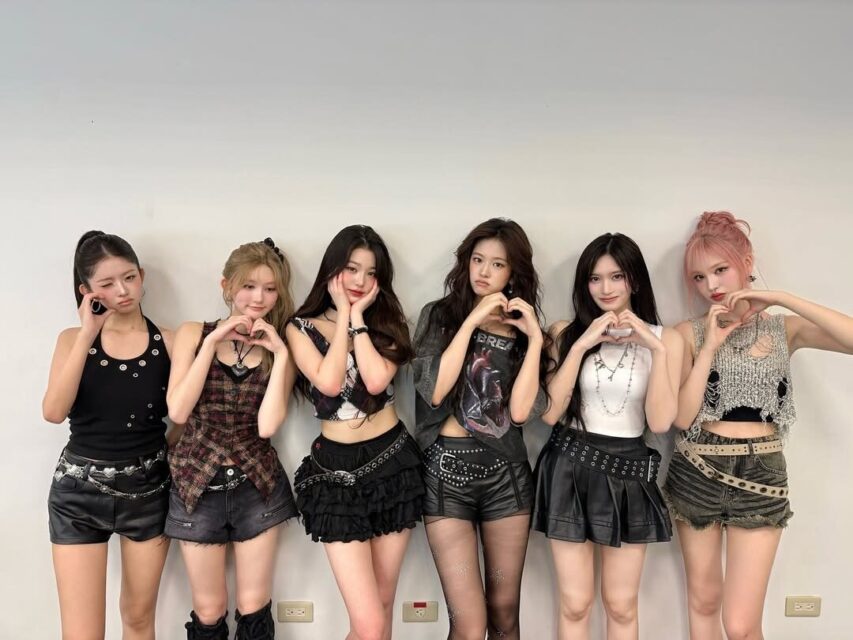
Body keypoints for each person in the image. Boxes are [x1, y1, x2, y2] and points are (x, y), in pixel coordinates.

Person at [665, 211, 853, 639]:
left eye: (720, 270)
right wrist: (709, 347)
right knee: (703, 602)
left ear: (746, 262)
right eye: (699, 277)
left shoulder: (785, 330)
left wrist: (781, 297)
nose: (711, 286)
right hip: (697, 467)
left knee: (741, 624)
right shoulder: (688, 333)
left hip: (761, 474)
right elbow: (682, 417)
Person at [532, 232, 681, 640]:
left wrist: (657, 350)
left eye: (616, 276)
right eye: (595, 279)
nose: (605, 288)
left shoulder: (666, 339)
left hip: (629, 470)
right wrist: (581, 344)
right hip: (570, 466)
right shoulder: (565, 333)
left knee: (621, 604)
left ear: (634, 280)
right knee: (575, 603)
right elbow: (550, 413)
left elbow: (661, 422)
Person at [413, 217, 548, 640]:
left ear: (513, 272)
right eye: (477, 260)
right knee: (468, 624)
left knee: (504, 616)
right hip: (445, 475)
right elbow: (435, 391)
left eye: (497, 264)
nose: (484, 272)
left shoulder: (523, 330)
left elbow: (521, 413)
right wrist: (472, 321)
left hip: (506, 478)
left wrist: (536, 341)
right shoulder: (439, 316)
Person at [286, 224, 423, 640]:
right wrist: (344, 313)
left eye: (371, 272)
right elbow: (329, 383)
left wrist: (359, 320)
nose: (360, 280)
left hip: (392, 464)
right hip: (335, 474)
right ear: (332, 270)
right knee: (368, 624)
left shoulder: (389, 324)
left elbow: (377, 381)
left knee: (383, 609)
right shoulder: (300, 328)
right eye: (351, 268)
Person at [43, 231, 173, 640]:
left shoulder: (168, 341)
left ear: (142, 275)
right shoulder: (71, 339)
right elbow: (53, 412)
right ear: (86, 292)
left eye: (130, 277)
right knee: (82, 633)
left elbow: (185, 418)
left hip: (149, 491)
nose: (122, 290)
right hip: (78, 494)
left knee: (138, 620)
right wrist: (88, 332)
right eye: (107, 283)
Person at [166, 238, 298, 640]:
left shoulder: (281, 348)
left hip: (256, 485)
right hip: (195, 483)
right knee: (208, 611)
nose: (259, 298)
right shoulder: (193, 333)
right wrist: (211, 343)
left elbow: (267, 426)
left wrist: (282, 355)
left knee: (254, 607)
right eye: (249, 286)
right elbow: (178, 411)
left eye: (270, 289)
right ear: (226, 285)